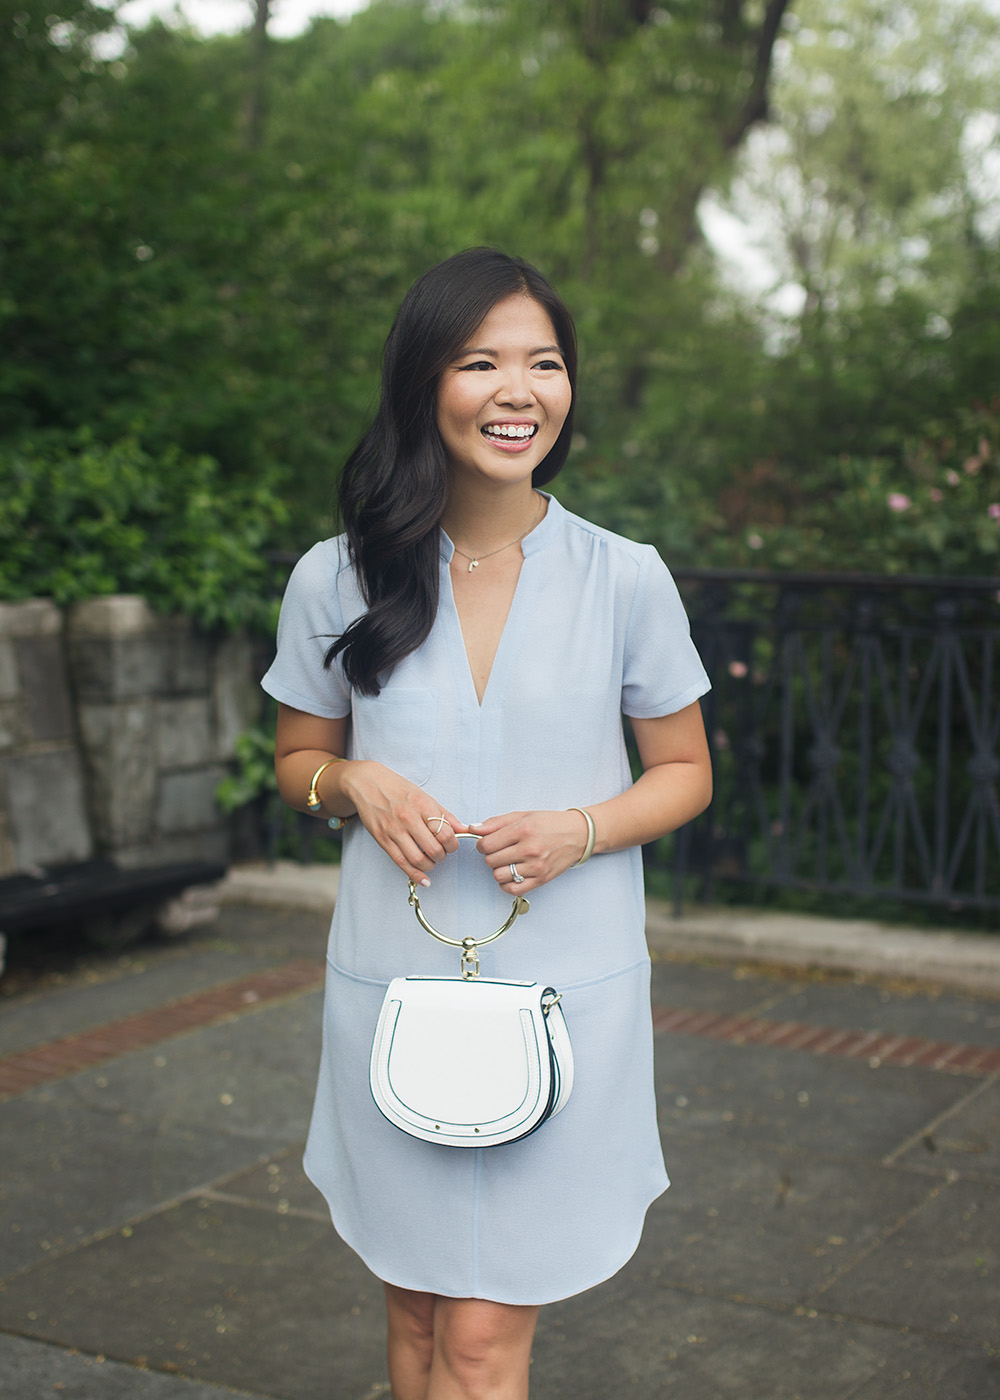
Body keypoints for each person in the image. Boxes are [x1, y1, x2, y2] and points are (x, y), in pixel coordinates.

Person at [262, 247, 712, 1400]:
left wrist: (580, 827)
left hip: (567, 1000)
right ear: (425, 380)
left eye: (544, 363)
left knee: (474, 1339)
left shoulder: (624, 576)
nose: (519, 390)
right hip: (392, 990)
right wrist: (355, 784)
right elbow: (297, 763)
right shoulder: (336, 576)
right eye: (480, 362)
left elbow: (684, 773)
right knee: (415, 1318)